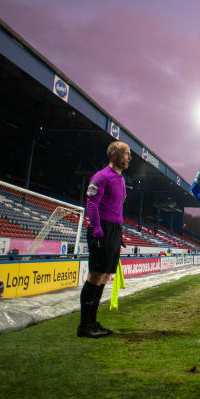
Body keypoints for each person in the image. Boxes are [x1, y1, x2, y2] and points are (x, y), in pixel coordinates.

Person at [77, 141, 131, 338]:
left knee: (105, 277)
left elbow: (117, 206)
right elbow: (91, 204)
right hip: (102, 230)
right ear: (114, 155)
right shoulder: (101, 177)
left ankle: (92, 322)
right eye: (126, 154)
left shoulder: (121, 179)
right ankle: (84, 326)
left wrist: (118, 231)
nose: (129, 158)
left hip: (114, 230)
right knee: (95, 276)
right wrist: (98, 230)